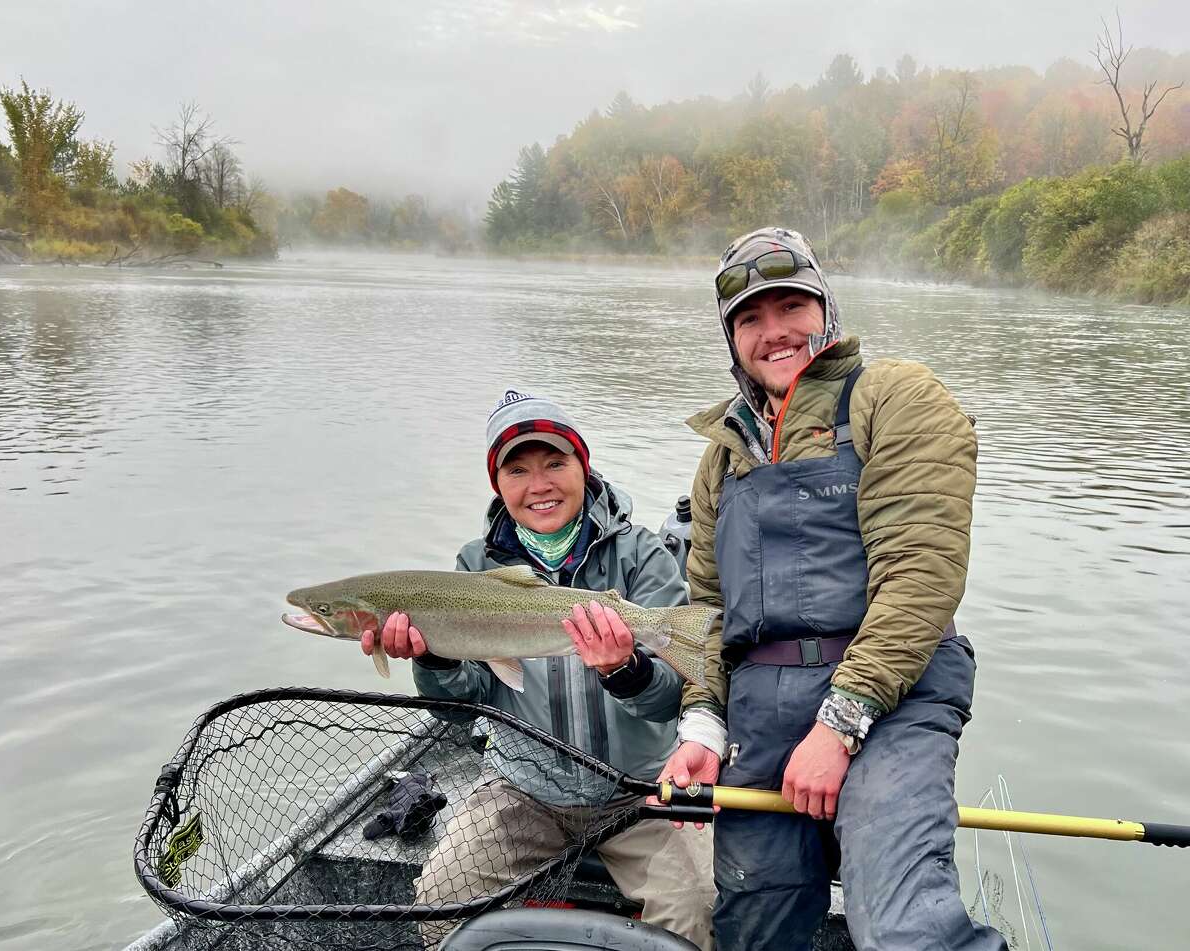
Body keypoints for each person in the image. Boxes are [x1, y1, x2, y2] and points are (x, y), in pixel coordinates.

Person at [658, 227, 1006, 951]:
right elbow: (705, 614)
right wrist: (701, 727)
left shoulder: (895, 397)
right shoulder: (721, 457)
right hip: (761, 714)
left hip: (894, 705)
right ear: (731, 340)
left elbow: (921, 575)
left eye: (791, 305)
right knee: (753, 927)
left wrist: (839, 725)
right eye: (749, 318)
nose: (773, 330)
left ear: (827, 309)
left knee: (904, 926)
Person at [362, 390, 716, 950]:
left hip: (640, 791)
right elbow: (464, 707)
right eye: (519, 470)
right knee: (437, 903)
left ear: (584, 467)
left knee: (698, 912)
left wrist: (624, 670)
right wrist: (432, 658)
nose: (540, 484)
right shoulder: (473, 567)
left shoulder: (641, 556)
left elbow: (671, 701)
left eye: (556, 462)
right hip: (522, 789)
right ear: (497, 484)